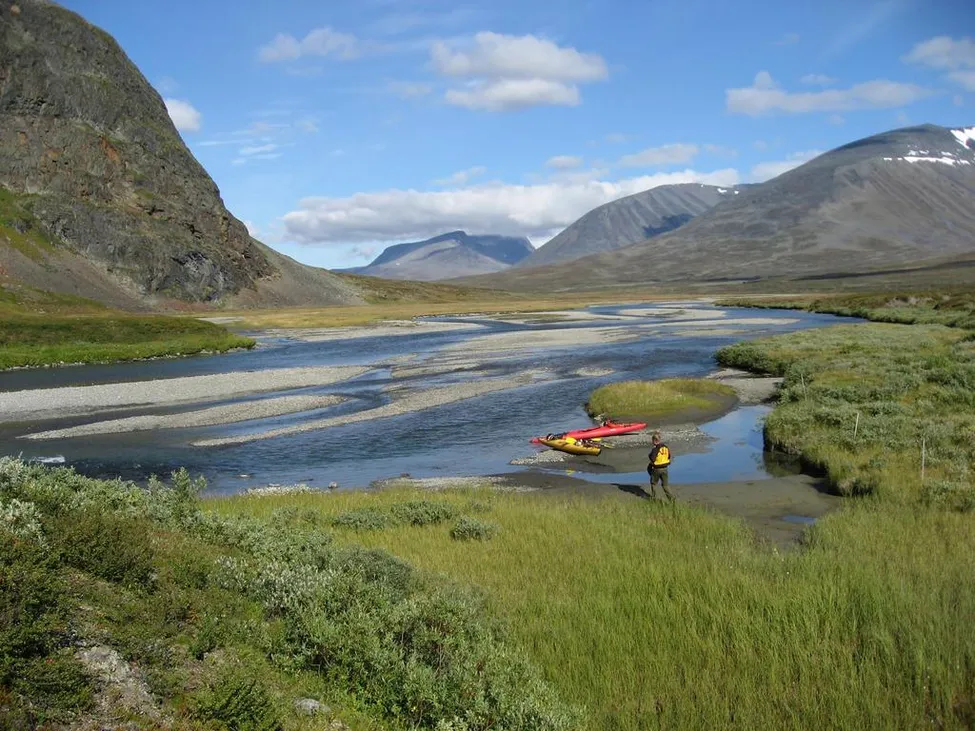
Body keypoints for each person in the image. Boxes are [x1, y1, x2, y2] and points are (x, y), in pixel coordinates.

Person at [647, 432, 674, 501]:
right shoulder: (665, 447)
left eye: (652, 441)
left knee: (653, 483)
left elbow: (652, 458)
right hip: (665, 468)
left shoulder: (655, 448)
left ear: (654, 441)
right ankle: (671, 498)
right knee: (665, 485)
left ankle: (654, 498)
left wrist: (652, 453)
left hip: (657, 469)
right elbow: (669, 456)